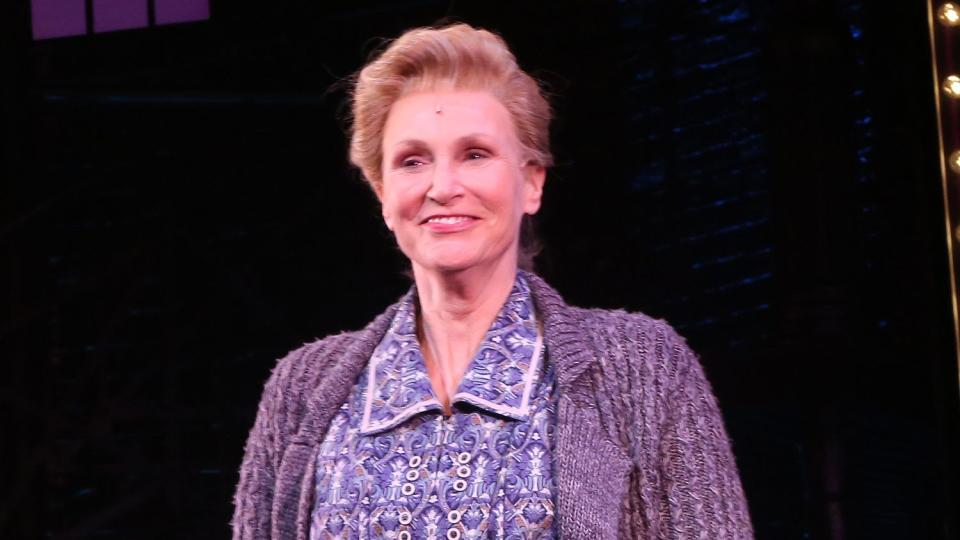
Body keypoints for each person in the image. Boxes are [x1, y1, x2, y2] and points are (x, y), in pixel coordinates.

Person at [232, 23, 753, 540]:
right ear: (382, 194)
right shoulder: (303, 389)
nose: (442, 187)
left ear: (530, 183)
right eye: (412, 161)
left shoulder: (639, 366)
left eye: (475, 154)